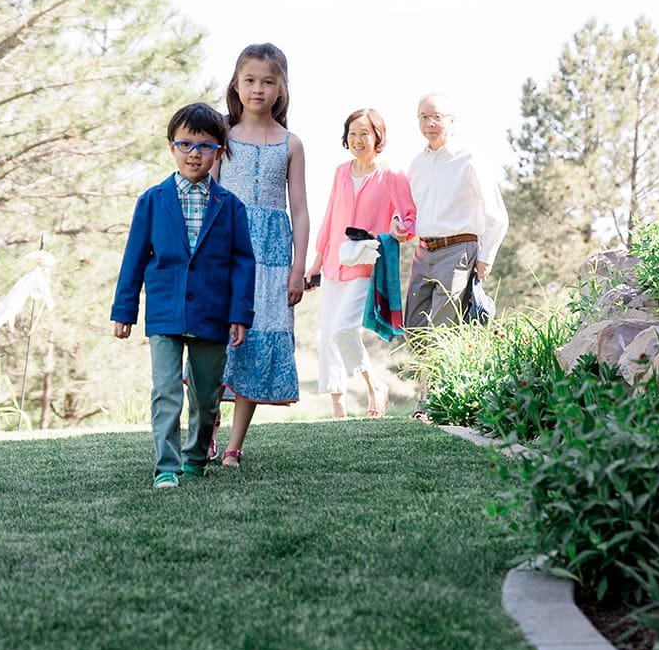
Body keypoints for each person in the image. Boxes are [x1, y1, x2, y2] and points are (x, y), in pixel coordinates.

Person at [111, 103, 255, 488]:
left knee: (206, 398)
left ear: (219, 151)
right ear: (171, 147)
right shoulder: (152, 201)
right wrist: (124, 310)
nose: (194, 153)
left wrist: (240, 314)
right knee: (166, 392)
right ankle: (167, 466)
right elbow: (134, 258)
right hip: (165, 311)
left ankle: (195, 457)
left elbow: (243, 263)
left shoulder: (231, 206)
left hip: (213, 313)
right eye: (185, 144)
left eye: (205, 146)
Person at [216, 42, 310, 468]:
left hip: (272, 260)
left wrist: (299, 268)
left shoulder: (291, 144)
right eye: (250, 80)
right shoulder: (222, 135)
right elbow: (208, 192)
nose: (258, 89)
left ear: (281, 88)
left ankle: (234, 445)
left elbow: (300, 209)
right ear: (236, 85)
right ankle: (207, 431)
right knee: (216, 340)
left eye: (268, 82)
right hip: (225, 251)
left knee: (255, 340)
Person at [391, 92, 508, 413]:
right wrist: (399, 224)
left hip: (459, 250)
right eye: (424, 117)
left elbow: (497, 215)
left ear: (452, 121)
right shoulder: (417, 163)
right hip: (423, 251)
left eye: (437, 116)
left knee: (442, 327)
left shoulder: (470, 158)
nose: (430, 123)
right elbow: (411, 211)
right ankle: (448, 388)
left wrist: (485, 258)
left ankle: (431, 402)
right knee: (415, 328)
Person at [304, 108, 416, 418]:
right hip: (333, 264)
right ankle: (338, 410)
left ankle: (374, 385)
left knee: (343, 330)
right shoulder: (341, 171)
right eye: (352, 134)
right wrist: (316, 261)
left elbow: (409, 217)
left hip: (366, 264)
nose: (357, 139)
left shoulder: (391, 174)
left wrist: (399, 229)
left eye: (364, 133)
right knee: (328, 334)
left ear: (377, 137)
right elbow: (330, 217)